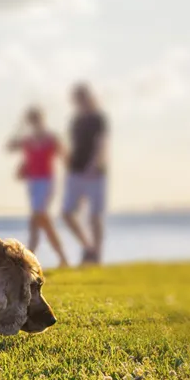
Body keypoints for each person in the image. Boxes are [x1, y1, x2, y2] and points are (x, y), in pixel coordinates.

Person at [6, 106, 69, 267]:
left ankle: (29, 259)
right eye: (32, 120)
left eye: (36, 119)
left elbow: (65, 156)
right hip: (33, 184)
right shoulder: (27, 141)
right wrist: (20, 125)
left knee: (37, 218)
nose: (35, 123)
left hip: (46, 182)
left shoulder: (50, 139)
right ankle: (61, 257)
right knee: (42, 222)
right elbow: (10, 145)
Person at [63, 83, 109, 265]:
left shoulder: (98, 118)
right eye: (76, 98)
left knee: (95, 215)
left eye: (82, 97)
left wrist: (95, 164)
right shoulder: (76, 120)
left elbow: (101, 143)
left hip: (95, 173)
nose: (79, 101)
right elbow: (74, 146)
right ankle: (88, 247)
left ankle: (96, 254)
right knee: (67, 212)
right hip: (75, 172)